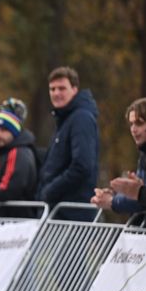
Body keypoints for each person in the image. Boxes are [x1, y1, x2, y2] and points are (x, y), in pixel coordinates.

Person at [36, 66, 99, 220]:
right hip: (59, 212)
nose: (56, 93)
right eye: (52, 89)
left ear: (75, 89)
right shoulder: (65, 119)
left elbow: (82, 165)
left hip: (71, 214)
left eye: (62, 88)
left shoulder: (81, 118)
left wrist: (49, 191)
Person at [92, 98, 146, 214]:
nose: (133, 129)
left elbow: (139, 196)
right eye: (131, 124)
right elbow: (138, 197)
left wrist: (113, 201)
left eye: (139, 123)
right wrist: (119, 194)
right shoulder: (143, 154)